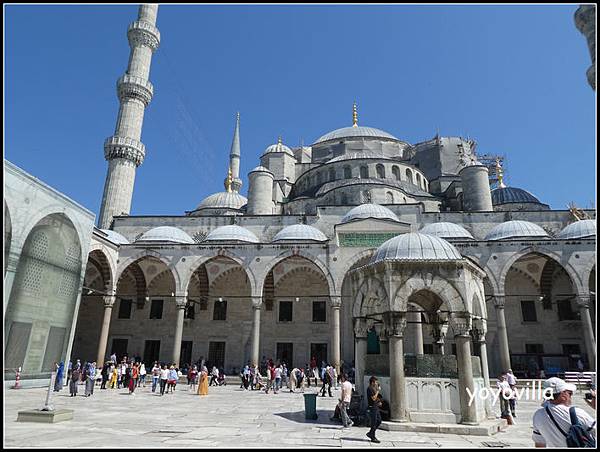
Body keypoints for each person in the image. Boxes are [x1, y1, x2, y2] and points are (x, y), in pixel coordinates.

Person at [532, 377, 596, 447]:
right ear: (563, 395)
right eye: (570, 393)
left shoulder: (538, 415)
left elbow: (539, 444)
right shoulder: (577, 413)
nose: (570, 397)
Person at [366, 376, 382, 443]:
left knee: (379, 420)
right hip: (372, 407)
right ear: (372, 382)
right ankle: (373, 437)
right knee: (374, 422)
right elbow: (373, 398)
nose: (376, 383)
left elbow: (376, 398)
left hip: (376, 407)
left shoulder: (373, 388)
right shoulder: (369, 388)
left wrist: (379, 402)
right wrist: (378, 391)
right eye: (375, 382)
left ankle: (371, 433)